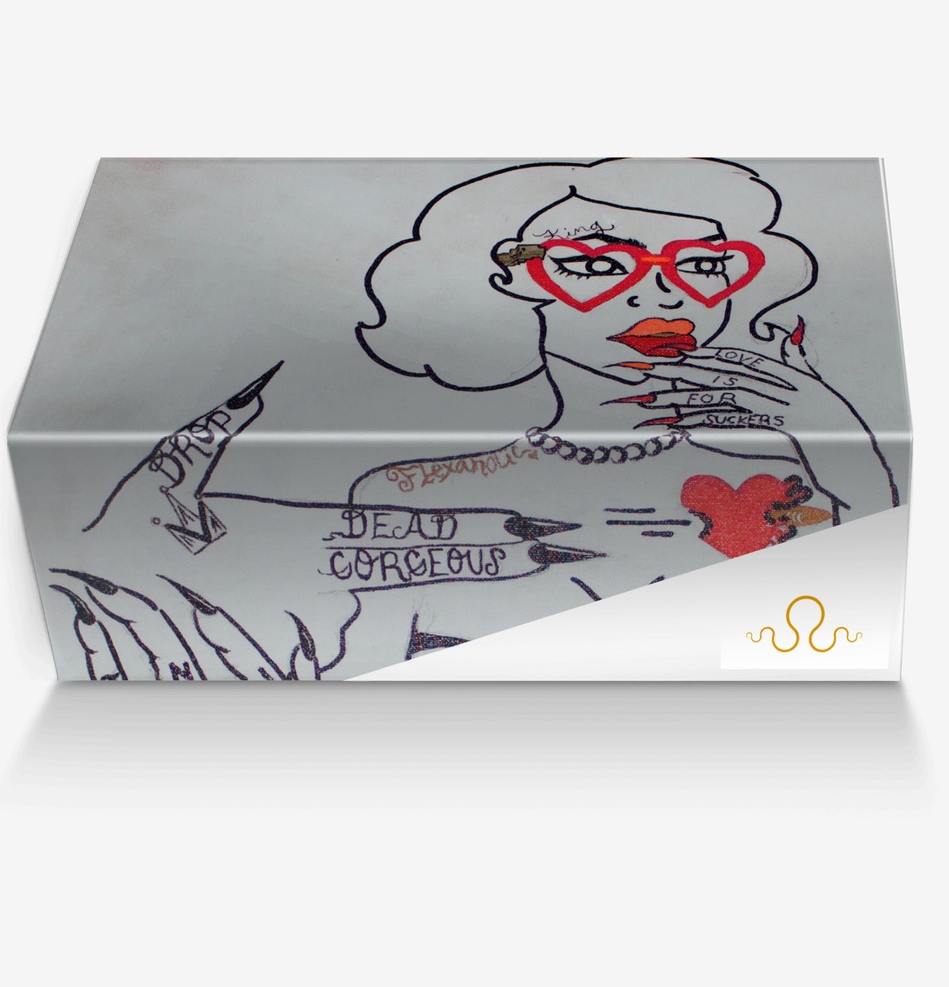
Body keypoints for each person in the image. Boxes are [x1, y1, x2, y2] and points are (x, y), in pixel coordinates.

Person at [337, 157, 899, 665]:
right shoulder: (411, 494)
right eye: (597, 266)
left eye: (702, 266)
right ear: (511, 283)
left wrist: (838, 429)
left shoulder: (798, 482)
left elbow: (863, 637)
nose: (663, 295)